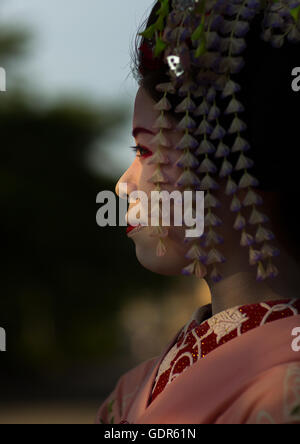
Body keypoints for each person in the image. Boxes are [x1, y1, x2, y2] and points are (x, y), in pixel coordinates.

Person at [96, 0, 300, 424]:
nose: (123, 184)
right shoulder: (133, 390)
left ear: (227, 157)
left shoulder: (285, 394)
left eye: (144, 149)